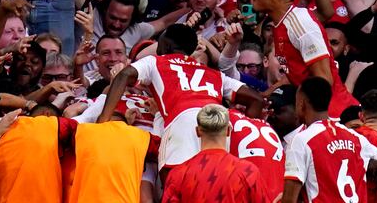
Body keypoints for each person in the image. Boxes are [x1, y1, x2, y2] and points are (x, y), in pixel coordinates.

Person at [98, 24, 260, 172]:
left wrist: (103, 119)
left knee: (173, 194)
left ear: (165, 45)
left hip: (180, 129)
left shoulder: (156, 61)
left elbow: (124, 74)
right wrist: (240, 137)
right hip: (216, 135)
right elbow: (256, 100)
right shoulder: (214, 74)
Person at [250, 0, 357, 117]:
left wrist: (306, 120)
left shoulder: (300, 23)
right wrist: (261, 98)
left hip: (336, 117)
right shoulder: (283, 23)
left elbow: (324, 83)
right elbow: (295, 73)